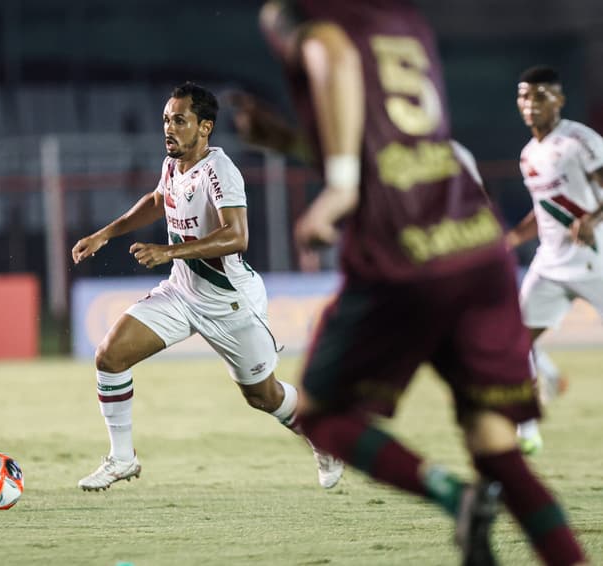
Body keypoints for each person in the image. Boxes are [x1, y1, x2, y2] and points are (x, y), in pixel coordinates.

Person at [252, 1, 588, 565]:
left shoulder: (319, 22)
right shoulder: (406, 22)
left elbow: (327, 51)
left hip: (402, 254)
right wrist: (290, 142)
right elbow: (387, 143)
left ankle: (452, 496)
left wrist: (334, 191)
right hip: (474, 247)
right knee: (496, 447)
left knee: (322, 415)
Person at [71, 82, 344, 492]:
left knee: (263, 397)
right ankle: (122, 458)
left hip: (230, 304)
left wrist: (169, 252)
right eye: (166, 119)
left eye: (179, 120)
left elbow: (237, 236)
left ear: (205, 128)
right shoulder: (172, 164)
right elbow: (157, 200)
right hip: (181, 294)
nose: (169, 128)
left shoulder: (220, 171)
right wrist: (104, 234)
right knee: (109, 356)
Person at [506, 65, 603, 456]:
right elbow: (542, 211)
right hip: (549, 263)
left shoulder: (579, 139)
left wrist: (591, 219)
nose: (532, 104)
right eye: (525, 96)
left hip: (594, 259)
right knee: (514, 342)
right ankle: (527, 428)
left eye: (541, 95)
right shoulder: (528, 155)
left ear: (559, 100)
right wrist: (510, 239)